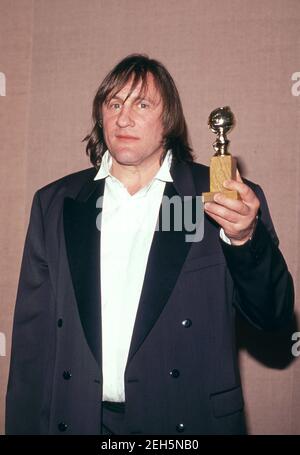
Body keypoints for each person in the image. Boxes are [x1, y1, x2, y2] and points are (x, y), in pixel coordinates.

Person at [6, 54, 294, 435]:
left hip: (183, 424)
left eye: (142, 104)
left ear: (168, 119)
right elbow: (32, 347)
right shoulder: (55, 203)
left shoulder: (218, 198)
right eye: (114, 104)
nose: (124, 117)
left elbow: (273, 316)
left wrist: (243, 240)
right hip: (78, 420)